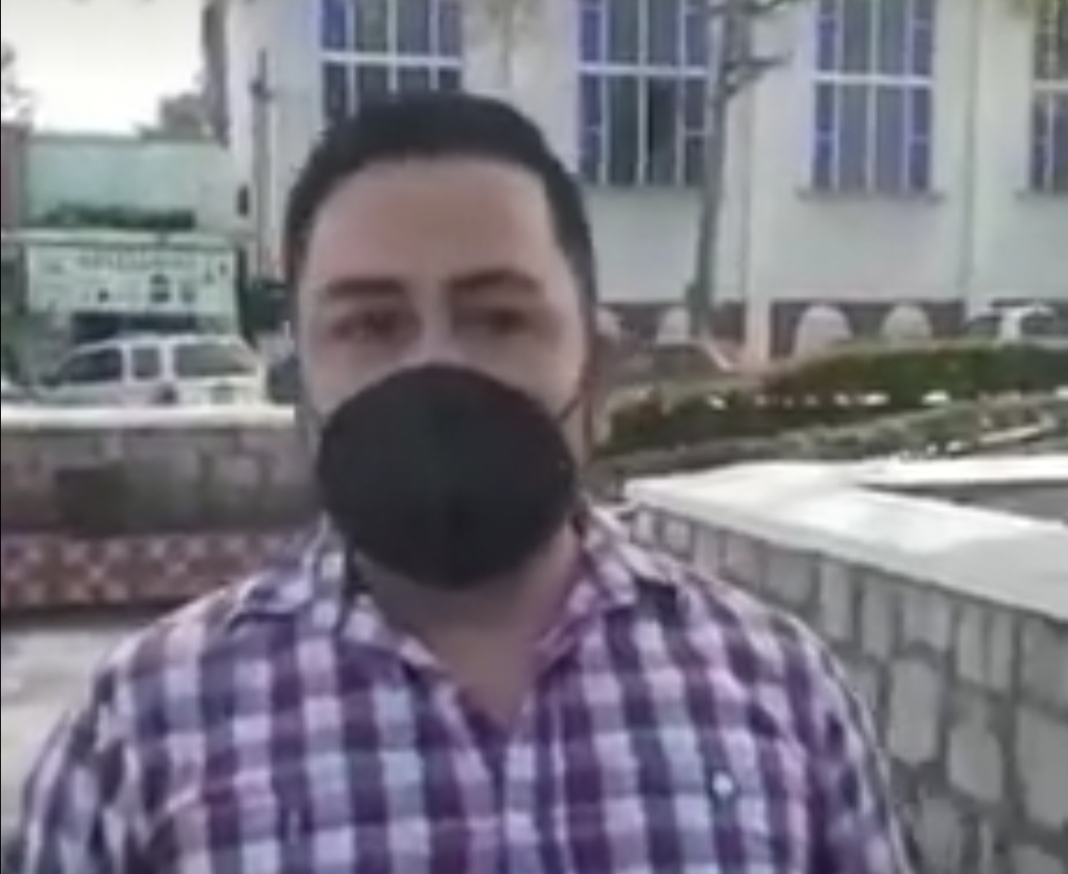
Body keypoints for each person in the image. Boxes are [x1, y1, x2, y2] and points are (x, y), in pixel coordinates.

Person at [6, 92, 913, 872]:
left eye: (499, 318)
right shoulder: (141, 733)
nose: (435, 366)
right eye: (371, 325)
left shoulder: (781, 691)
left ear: (596, 369)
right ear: (298, 382)